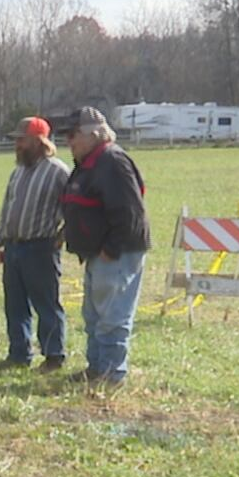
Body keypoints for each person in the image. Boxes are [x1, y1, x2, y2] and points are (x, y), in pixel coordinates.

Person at [57, 106, 150, 387]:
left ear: (93, 134)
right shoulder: (89, 163)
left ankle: (111, 375)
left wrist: (112, 248)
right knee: (94, 316)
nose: (69, 141)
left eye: (73, 135)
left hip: (116, 254)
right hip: (97, 253)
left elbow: (129, 212)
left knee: (112, 317)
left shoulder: (112, 161)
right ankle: (96, 368)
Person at [0, 116, 70, 372]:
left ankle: (54, 356)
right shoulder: (17, 172)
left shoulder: (58, 172)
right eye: (16, 140)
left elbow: (73, 210)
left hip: (40, 248)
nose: (17, 145)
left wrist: (61, 237)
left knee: (46, 304)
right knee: (15, 305)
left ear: (38, 141)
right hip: (13, 248)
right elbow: (7, 212)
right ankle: (18, 354)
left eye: (22, 140)